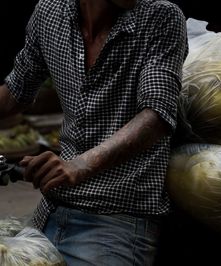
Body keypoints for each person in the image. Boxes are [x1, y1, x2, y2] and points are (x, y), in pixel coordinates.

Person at [0, 0, 188, 264]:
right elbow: (15, 92)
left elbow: (156, 114)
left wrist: (80, 165)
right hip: (51, 211)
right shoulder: (50, 12)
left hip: (117, 220)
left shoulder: (160, 16)